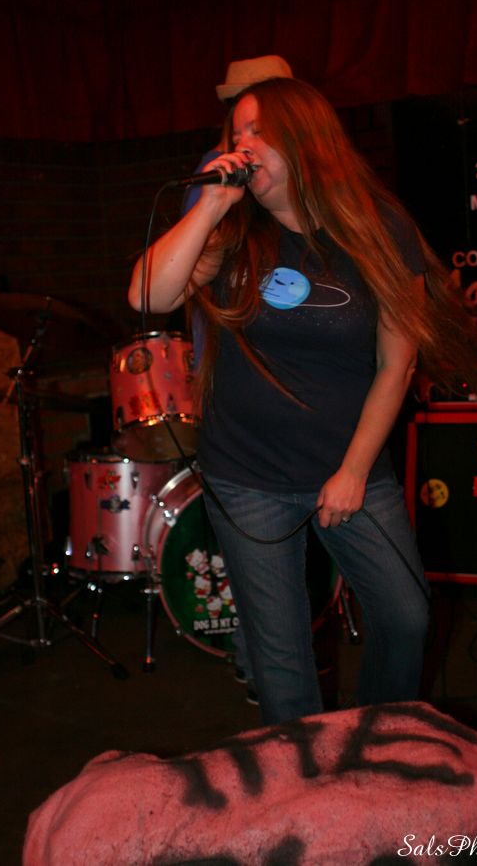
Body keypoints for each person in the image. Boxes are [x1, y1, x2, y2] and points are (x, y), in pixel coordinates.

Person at [129, 77, 477, 726]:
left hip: (350, 467)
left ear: (305, 140)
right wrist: (210, 206)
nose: (243, 144)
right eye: (236, 132)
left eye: (258, 130)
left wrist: (353, 472)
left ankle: (380, 742)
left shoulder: (378, 229)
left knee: (405, 615)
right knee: (281, 656)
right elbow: (146, 296)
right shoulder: (233, 232)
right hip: (247, 475)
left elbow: (397, 363)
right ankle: (303, 775)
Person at [182, 56, 294, 704]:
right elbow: (185, 271)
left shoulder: (302, 172)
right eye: (243, 114)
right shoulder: (220, 170)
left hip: (290, 384)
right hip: (235, 376)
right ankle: (260, 668)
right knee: (258, 552)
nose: (251, 125)